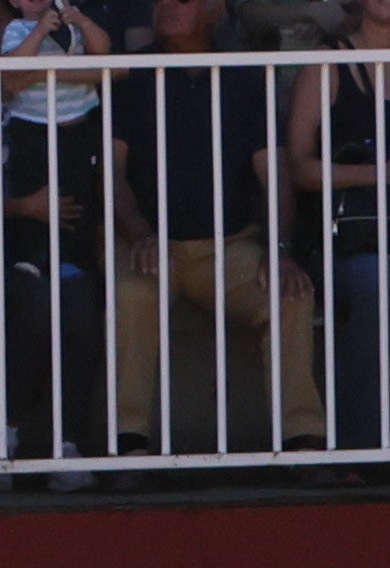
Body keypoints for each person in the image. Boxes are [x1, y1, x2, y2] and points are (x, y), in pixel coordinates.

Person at [111, 0, 329, 463]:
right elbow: (112, 174)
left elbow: (276, 175)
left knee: (289, 293)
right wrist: (139, 233)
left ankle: (303, 440)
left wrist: (280, 247)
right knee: (132, 294)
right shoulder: (129, 76)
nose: (167, 7)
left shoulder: (243, 77)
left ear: (213, 11)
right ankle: (127, 443)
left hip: (228, 248)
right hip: (151, 248)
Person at [288, 0, 390, 460]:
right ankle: (358, 447)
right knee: (380, 286)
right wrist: (384, 173)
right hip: (342, 241)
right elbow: (299, 168)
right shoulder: (328, 64)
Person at [0, 0, 131, 482]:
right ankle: (4, 436)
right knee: (30, 294)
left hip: (77, 138)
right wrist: (57, 54)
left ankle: (64, 442)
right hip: (33, 137)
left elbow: (108, 62)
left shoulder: (75, 29)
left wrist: (78, 28)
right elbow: (12, 76)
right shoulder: (15, 31)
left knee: (78, 295)